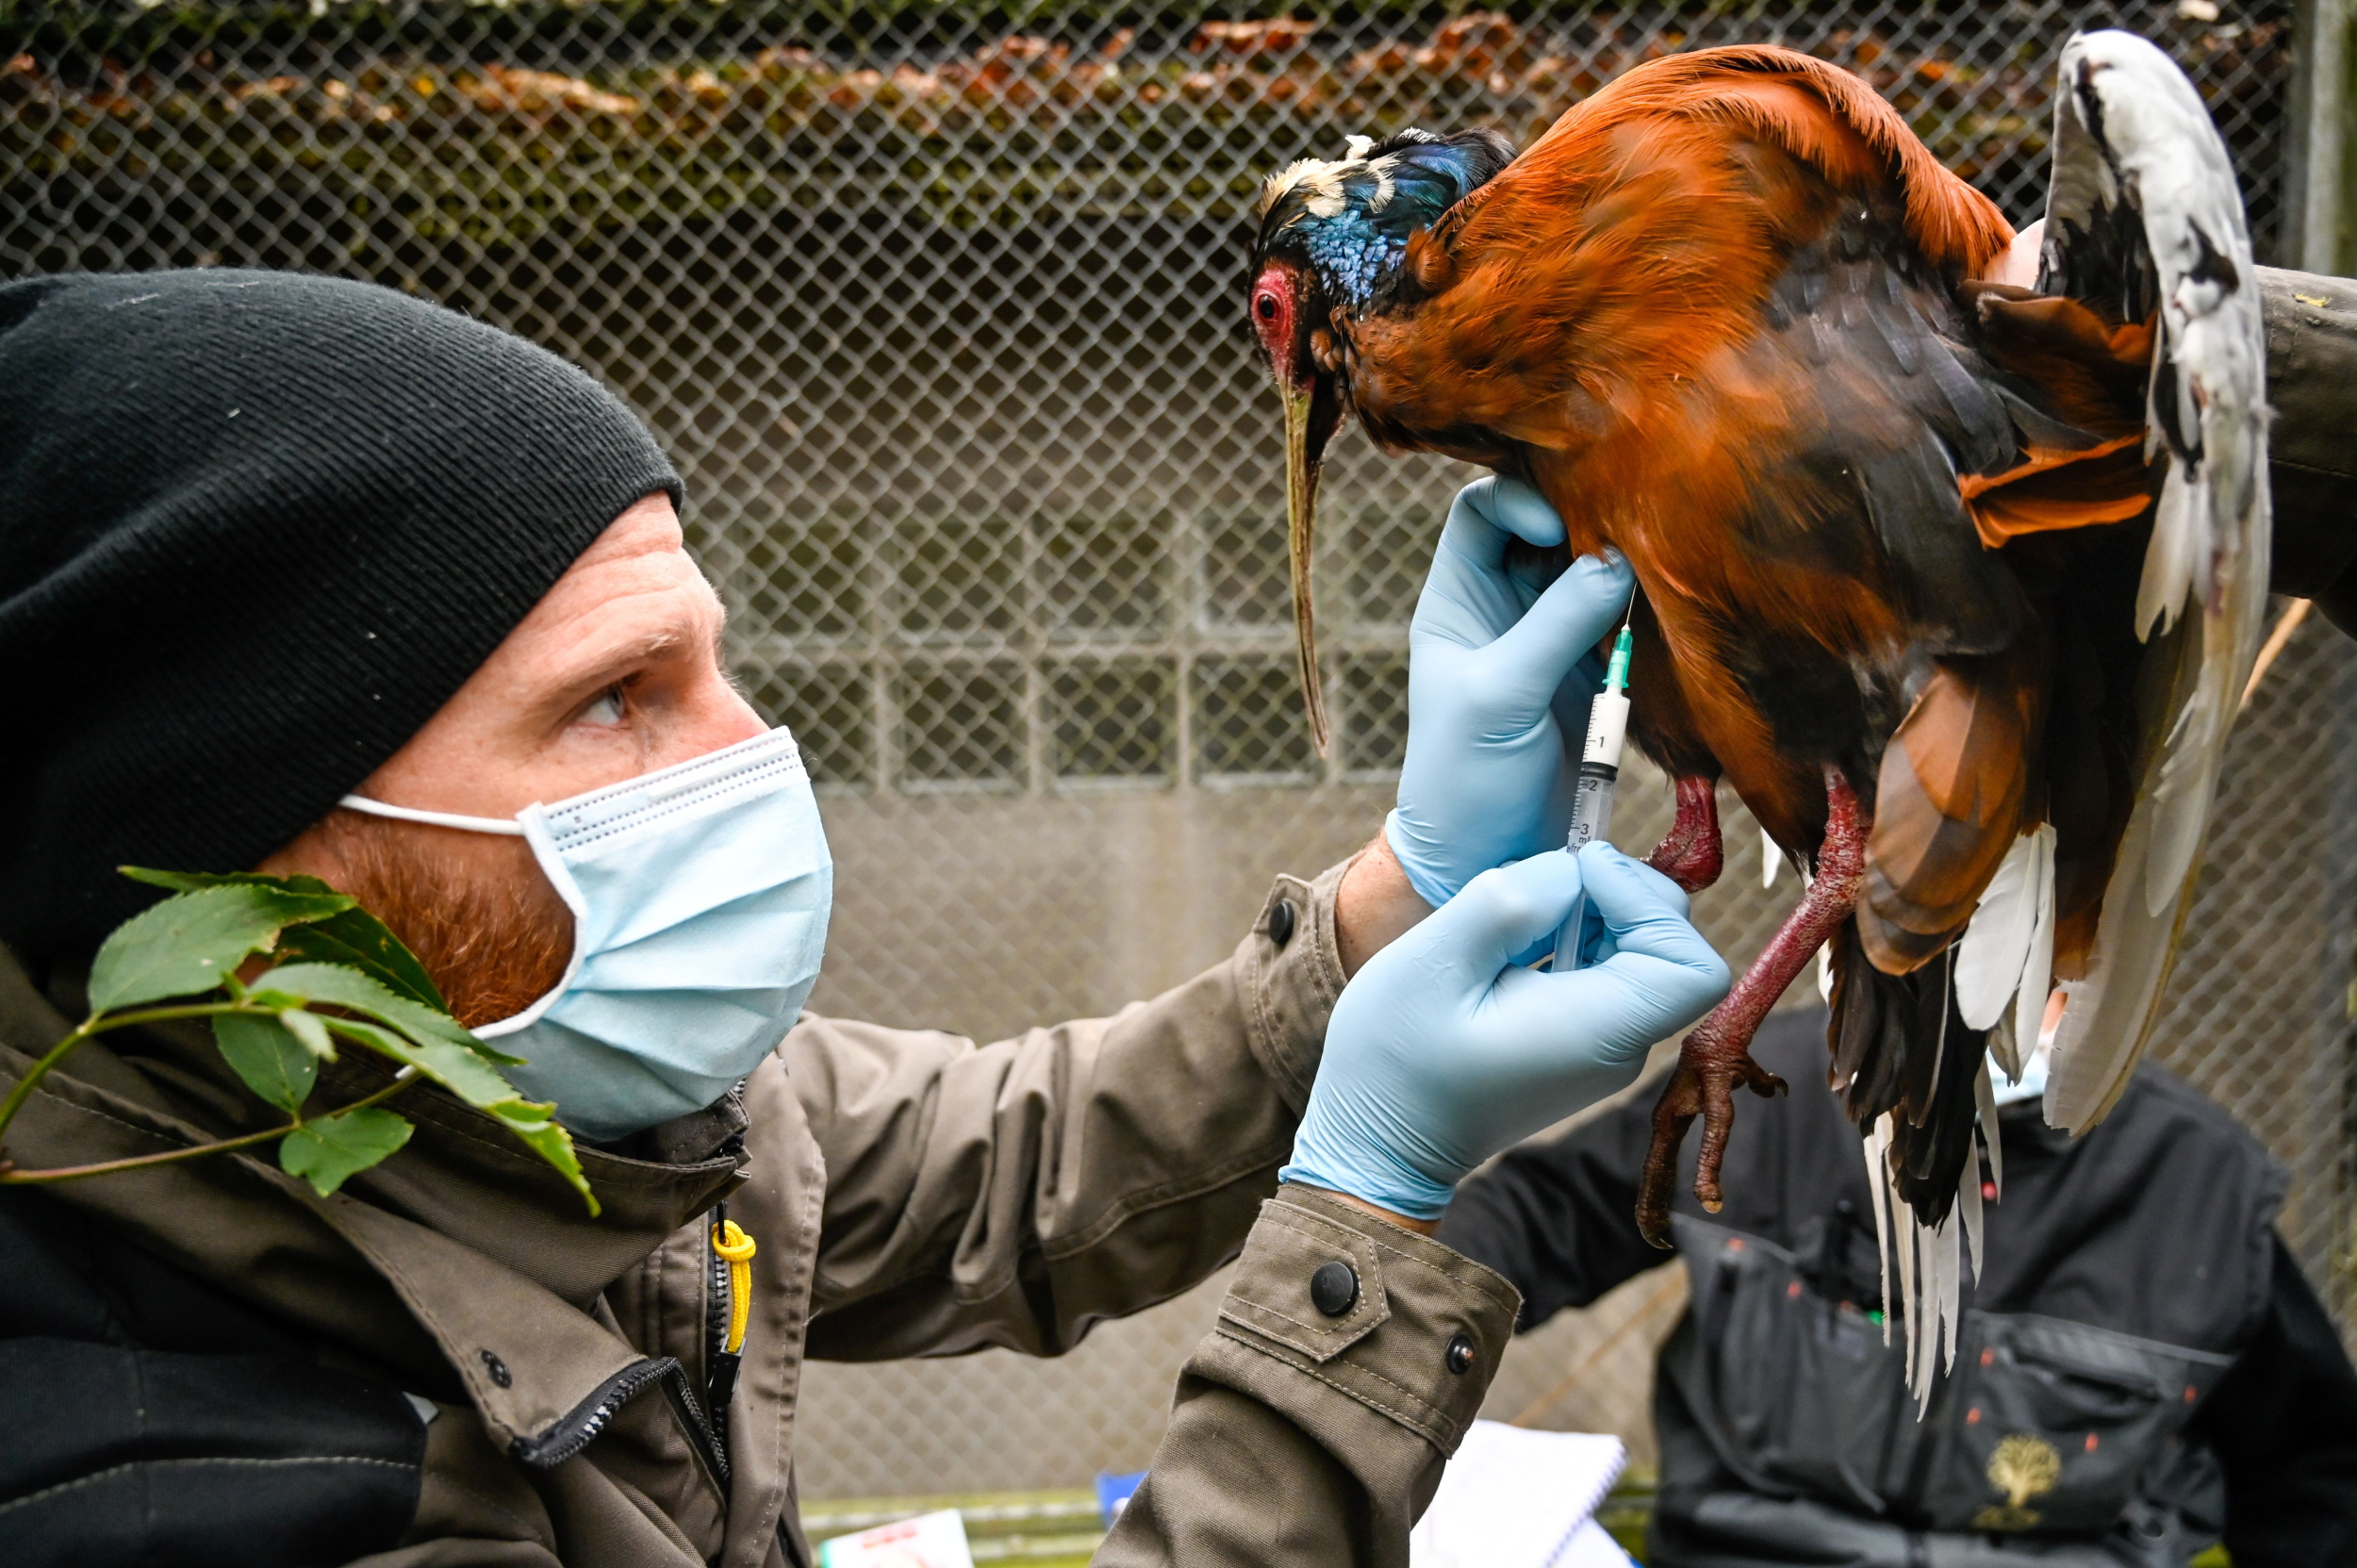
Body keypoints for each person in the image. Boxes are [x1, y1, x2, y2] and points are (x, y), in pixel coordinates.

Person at [0, 269, 1729, 1568]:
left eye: (716, 660)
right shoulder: (195, 1493)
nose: (755, 752)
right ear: (250, 874)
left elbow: (999, 1165)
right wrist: (1369, 1204)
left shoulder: (520, 1103)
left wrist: (1390, 903)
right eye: (618, 698)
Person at [1439, 1005, 2357, 1568]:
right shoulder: (1768, 1094)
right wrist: (1394, 1350)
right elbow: (1544, 1214)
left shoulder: (2196, 1185)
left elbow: (2317, 1473)